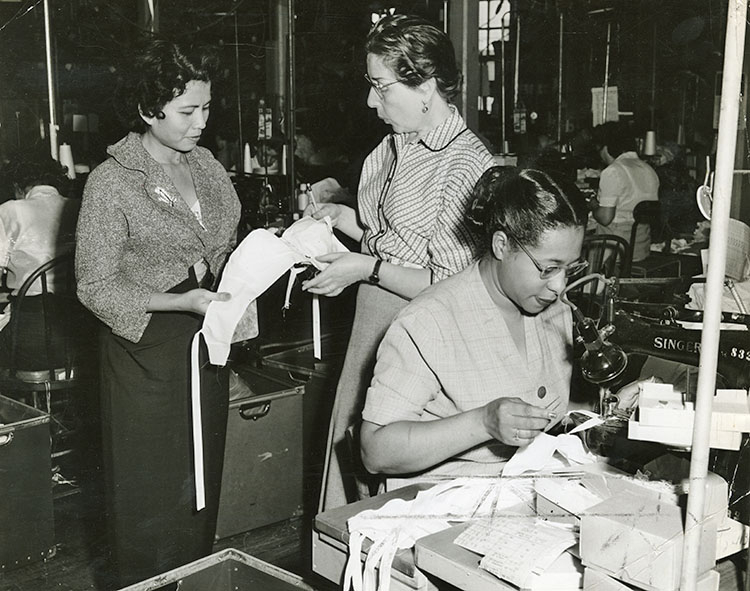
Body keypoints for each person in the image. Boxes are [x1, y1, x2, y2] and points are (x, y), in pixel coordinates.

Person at [302, 14, 495, 510]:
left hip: (422, 329)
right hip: (373, 318)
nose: (372, 101)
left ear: (426, 85)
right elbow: (392, 240)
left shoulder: (468, 165)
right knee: (353, 446)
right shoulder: (391, 148)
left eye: (381, 87)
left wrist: (365, 269)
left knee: (395, 467)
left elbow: (454, 286)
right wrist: (343, 218)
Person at [75, 40, 248, 587]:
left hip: (205, 341)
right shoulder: (113, 181)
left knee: (200, 479)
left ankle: (192, 578)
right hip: (144, 347)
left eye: (207, 108)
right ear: (149, 111)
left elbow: (223, 239)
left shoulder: (207, 165)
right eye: (186, 111)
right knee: (146, 490)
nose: (201, 122)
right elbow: (94, 285)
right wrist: (182, 301)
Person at [359, 167, 590, 484]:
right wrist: (483, 422)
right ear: (501, 245)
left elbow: (542, 406)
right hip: (444, 501)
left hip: (528, 488)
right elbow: (375, 451)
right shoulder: (429, 320)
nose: (559, 286)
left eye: (569, 268)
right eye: (548, 268)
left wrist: (611, 410)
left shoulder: (553, 309)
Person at [0, 150, 79, 368]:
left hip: (30, 335)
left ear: (17, 185)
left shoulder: (11, 211)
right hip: (80, 337)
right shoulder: (80, 207)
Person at [590, 122, 659, 262]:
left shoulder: (613, 171)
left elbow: (605, 218)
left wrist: (593, 205)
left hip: (615, 252)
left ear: (606, 148)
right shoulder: (649, 170)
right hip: (640, 249)